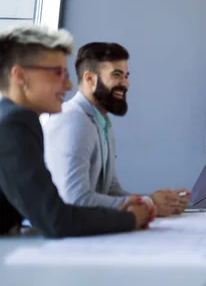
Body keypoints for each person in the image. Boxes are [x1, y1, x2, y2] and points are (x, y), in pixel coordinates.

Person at [0, 26, 152, 237]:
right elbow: (56, 219)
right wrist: (132, 218)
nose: (69, 84)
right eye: (58, 73)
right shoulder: (15, 123)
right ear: (21, 76)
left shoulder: (12, 118)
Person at [43, 42, 190, 217]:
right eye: (117, 75)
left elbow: (110, 190)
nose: (126, 84)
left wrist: (156, 201)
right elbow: (75, 199)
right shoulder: (73, 120)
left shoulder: (102, 121)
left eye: (126, 76)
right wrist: (150, 205)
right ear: (90, 79)